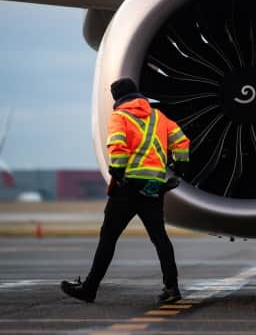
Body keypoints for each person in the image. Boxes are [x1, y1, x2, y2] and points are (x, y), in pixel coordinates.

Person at [61, 77, 190, 304]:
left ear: (117, 98)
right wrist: (178, 168)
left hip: (127, 188)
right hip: (153, 187)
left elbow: (118, 146)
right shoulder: (158, 117)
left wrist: (118, 172)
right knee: (160, 238)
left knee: (108, 238)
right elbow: (181, 141)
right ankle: (172, 288)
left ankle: (90, 288)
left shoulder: (120, 116)